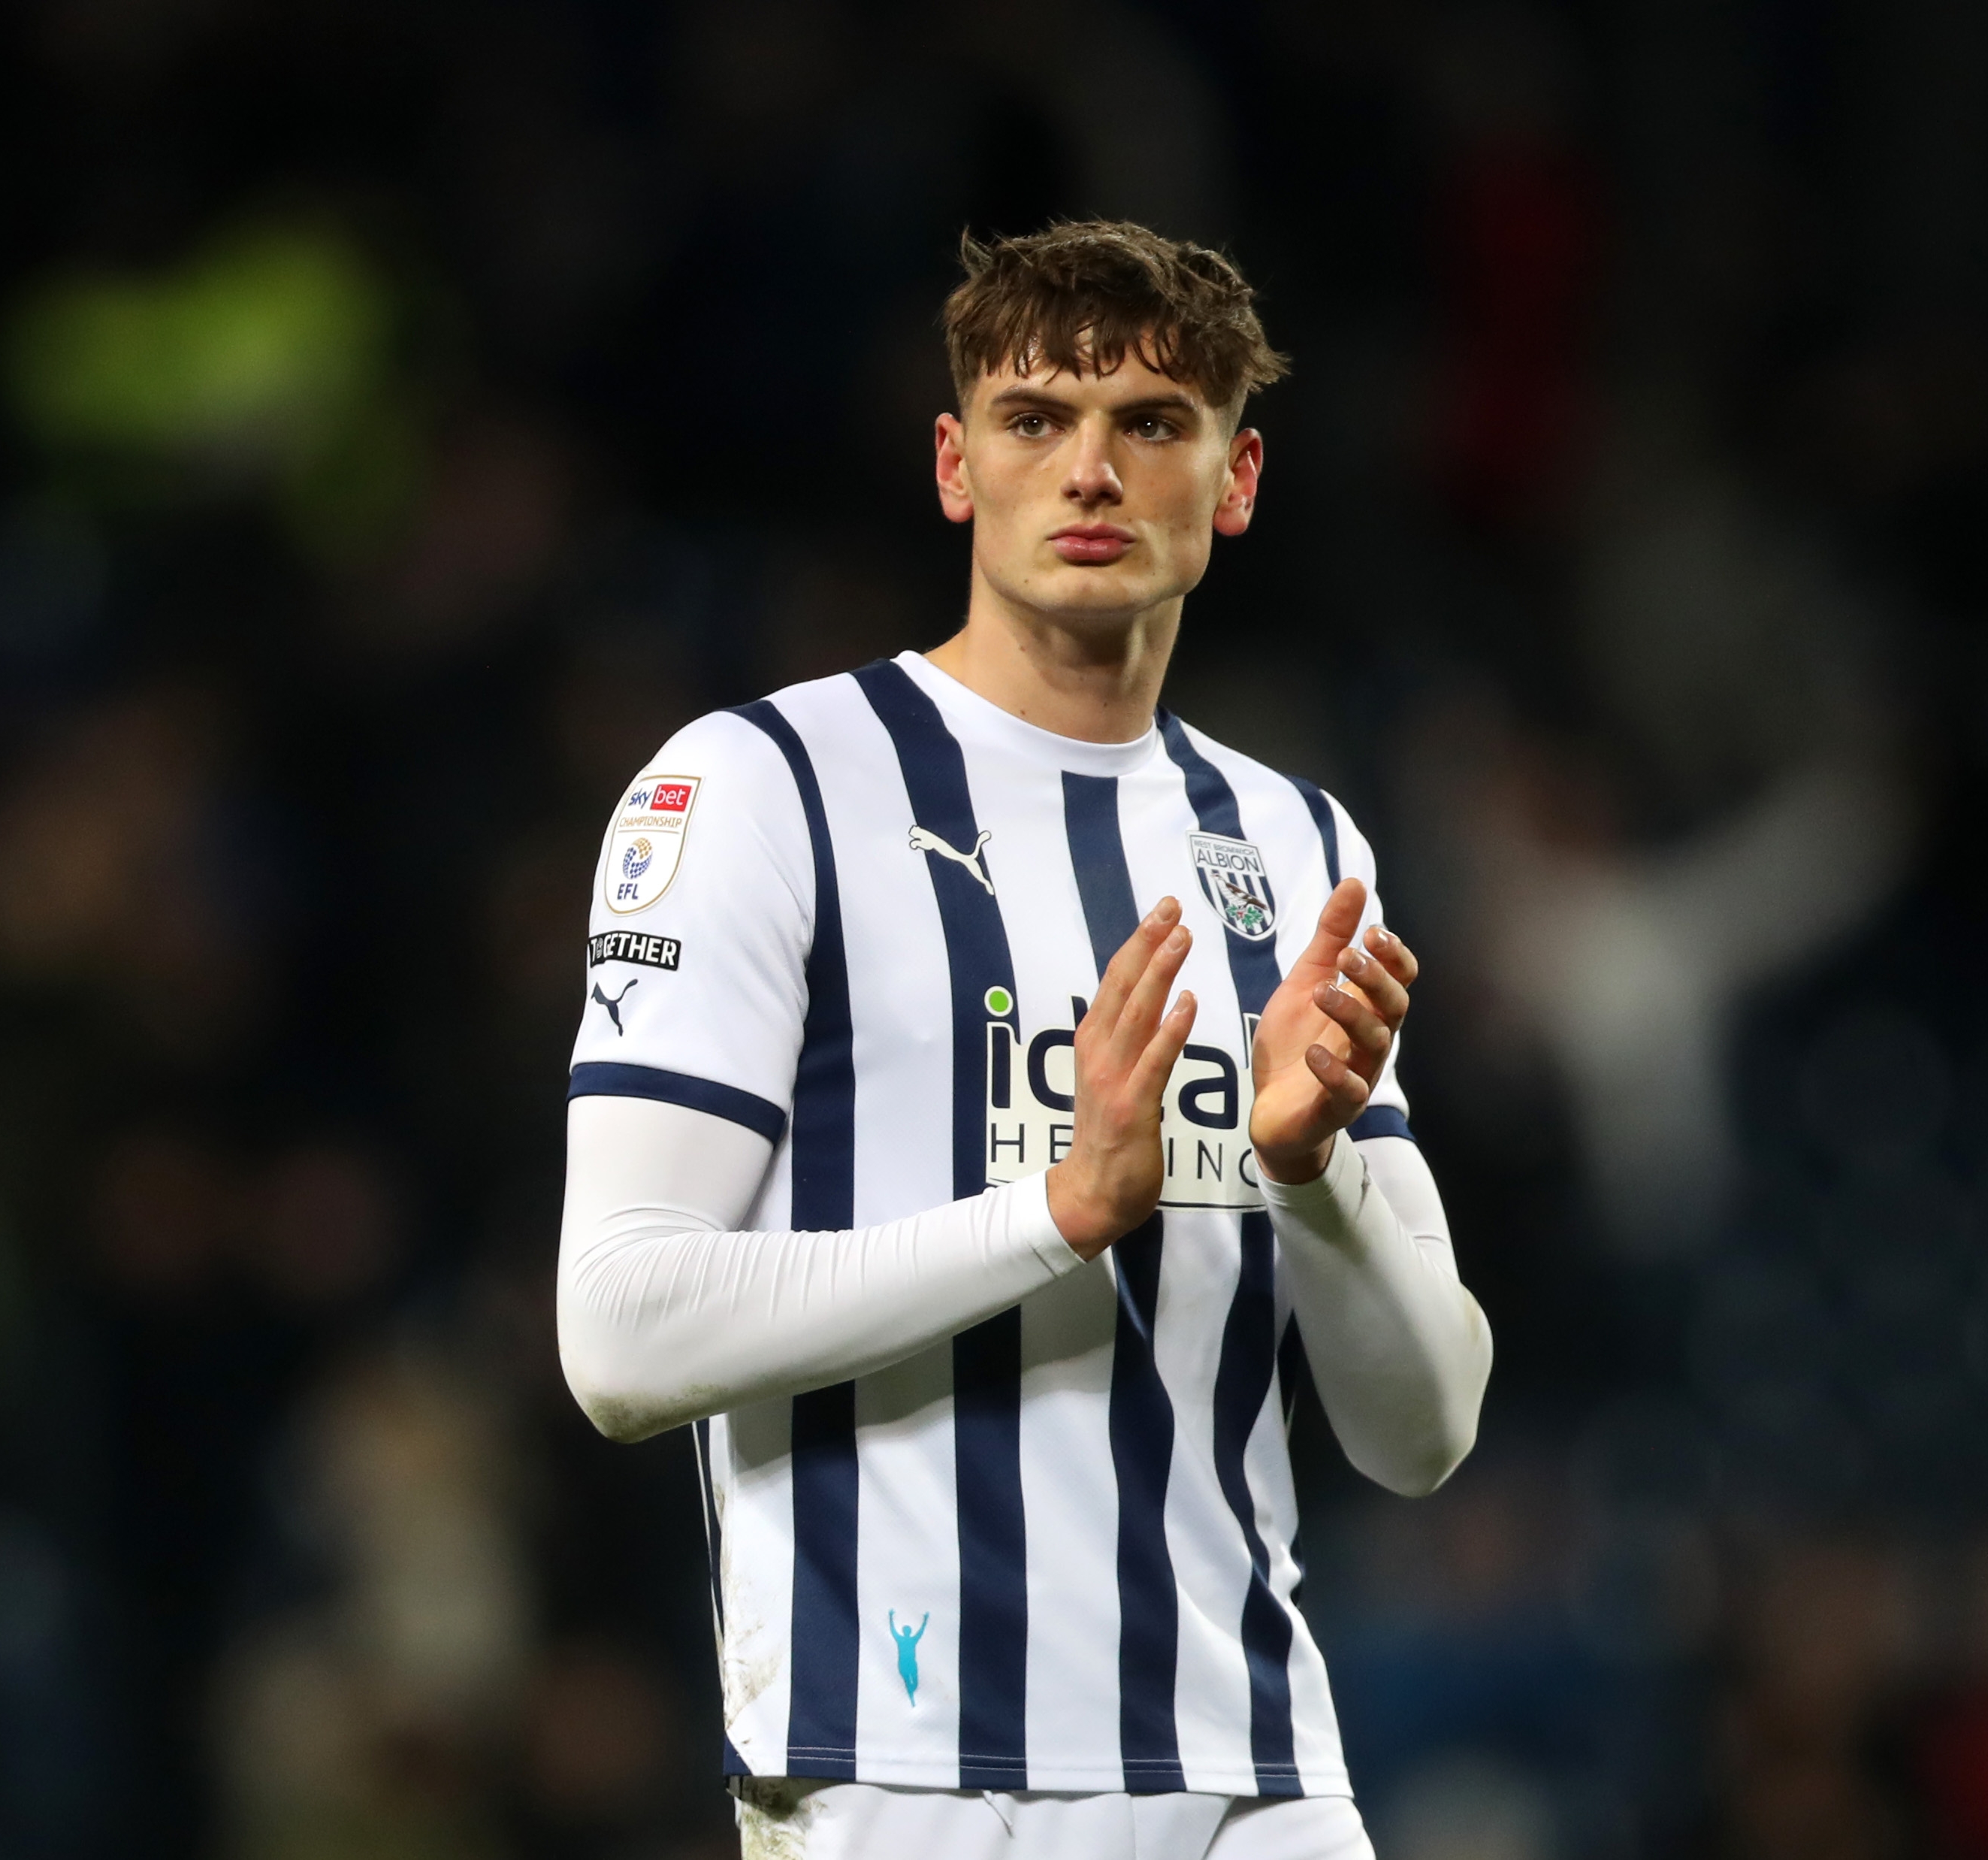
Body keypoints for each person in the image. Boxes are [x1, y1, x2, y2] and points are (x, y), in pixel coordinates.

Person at [557, 220, 1494, 1859]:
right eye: (1031, 418)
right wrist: (1052, 1213)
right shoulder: (757, 788)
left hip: (1256, 1768)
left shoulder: (1294, 844)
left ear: (1238, 475)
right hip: (900, 1768)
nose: (1088, 470)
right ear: (951, 463)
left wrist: (1310, 1171)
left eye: (1148, 422)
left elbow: (1420, 1432)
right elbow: (619, 1333)